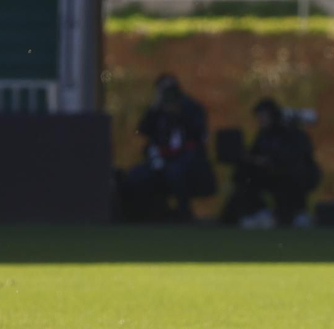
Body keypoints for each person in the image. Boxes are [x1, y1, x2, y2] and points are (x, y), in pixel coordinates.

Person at [119, 74, 217, 221]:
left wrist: (180, 113)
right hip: (160, 159)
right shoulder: (157, 110)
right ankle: (147, 213)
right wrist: (155, 108)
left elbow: (199, 134)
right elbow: (142, 130)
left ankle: (184, 214)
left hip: (187, 159)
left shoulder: (192, 107)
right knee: (135, 176)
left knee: (175, 173)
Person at [219, 98, 321, 228]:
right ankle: (256, 212)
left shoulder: (291, 134)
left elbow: (293, 159)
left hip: (294, 176)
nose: (260, 120)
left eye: (263, 116)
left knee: (287, 179)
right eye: (259, 116)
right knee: (243, 176)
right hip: (271, 174)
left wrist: (268, 162)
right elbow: (253, 156)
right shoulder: (263, 135)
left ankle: (294, 214)